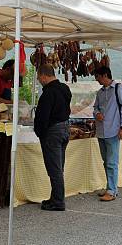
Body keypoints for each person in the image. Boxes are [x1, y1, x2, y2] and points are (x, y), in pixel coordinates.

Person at [34, 64, 72, 211]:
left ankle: (58, 201)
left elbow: (43, 117)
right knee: (58, 167)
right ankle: (55, 197)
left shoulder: (48, 93)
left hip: (53, 132)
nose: (39, 80)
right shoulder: (65, 89)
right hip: (64, 128)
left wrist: (40, 133)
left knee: (54, 168)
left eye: (39, 77)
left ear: (44, 76)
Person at [93, 66, 122, 202]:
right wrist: (97, 114)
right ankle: (110, 186)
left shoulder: (119, 88)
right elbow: (95, 107)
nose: (96, 79)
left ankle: (112, 191)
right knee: (106, 161)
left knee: (112, 162)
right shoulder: (100, 92)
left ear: (104, 75)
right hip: (101, 131)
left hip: (113, 131)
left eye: (97, 76)